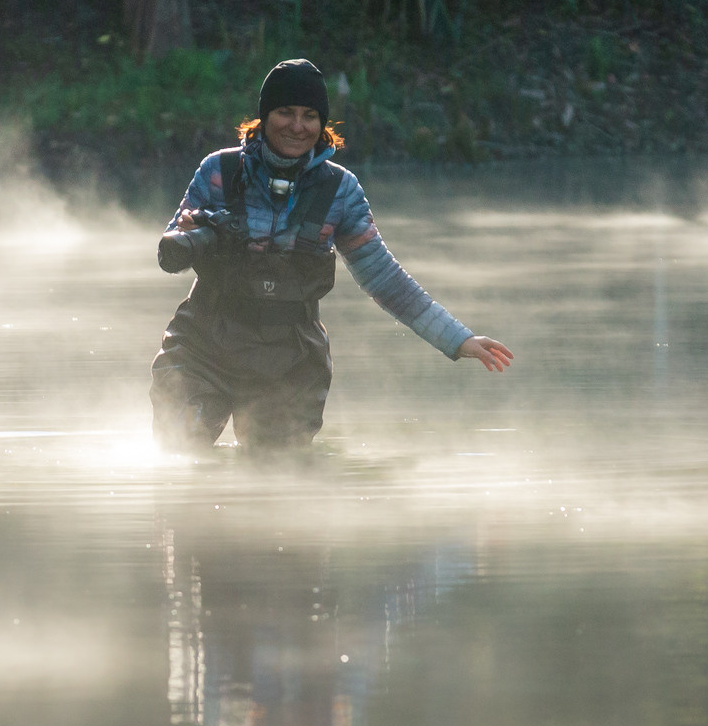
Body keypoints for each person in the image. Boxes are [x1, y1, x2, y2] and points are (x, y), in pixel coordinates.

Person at [151, 58, 513, 454]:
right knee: (180, 453)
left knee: (276, 477)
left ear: (322, 124)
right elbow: (172, 253)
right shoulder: (218, 170)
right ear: (263, 116)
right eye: (285, 112)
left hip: (291, 358)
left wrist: (458, 340)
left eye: (309, 116)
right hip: (204, 343)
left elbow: (385, 279)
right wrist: (191, 231)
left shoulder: (340, 190)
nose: (297, 125)